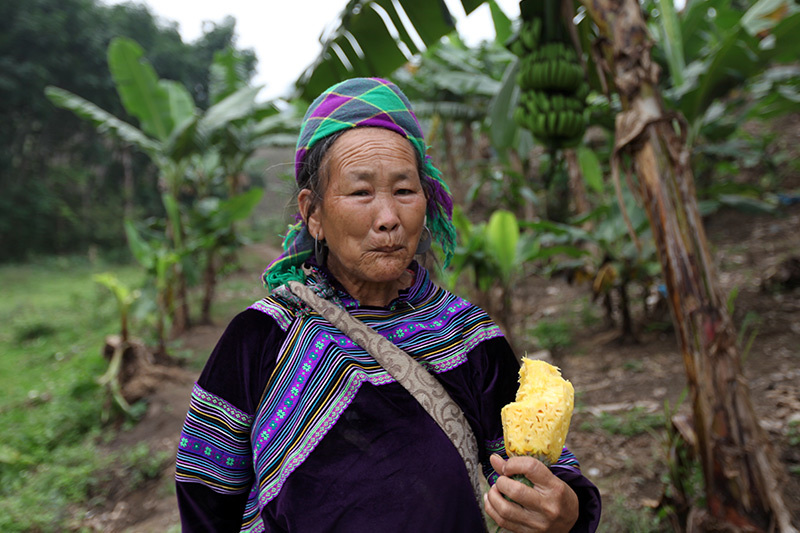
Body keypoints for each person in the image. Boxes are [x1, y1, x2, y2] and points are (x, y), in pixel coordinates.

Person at [175, 77, 601, 532]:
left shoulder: (467, 335)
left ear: (426, 200)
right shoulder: (261, 337)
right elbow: (206, 497)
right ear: (312, 212)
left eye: (404, 191)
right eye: (361, 193)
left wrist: (566, 509)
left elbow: (539, 465)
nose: (388, 219)